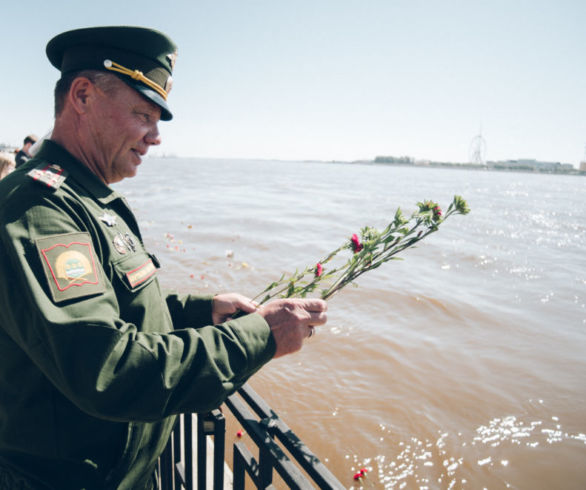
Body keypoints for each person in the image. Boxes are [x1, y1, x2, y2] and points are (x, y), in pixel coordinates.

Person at [0, 26, 327, 490]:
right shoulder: (40, 210)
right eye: (142, 115)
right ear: (83, 96)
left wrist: (200, 310)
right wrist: (263, 334)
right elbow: (106, 367)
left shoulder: (86, 198)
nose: (155, 137)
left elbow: (112, 307)